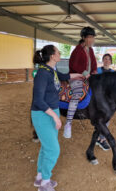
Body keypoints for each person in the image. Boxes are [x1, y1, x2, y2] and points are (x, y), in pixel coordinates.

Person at [31, 45, 82, 191]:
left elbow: (64, 76)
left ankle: (40, 178)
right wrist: (56, 117)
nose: (60, 54)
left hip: (51, 112)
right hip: (43, 114)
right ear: (53, 56)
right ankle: (45, 183)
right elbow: (38, 100)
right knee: (53, 150)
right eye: (58, 52)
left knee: (46, 147)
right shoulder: (42, 73)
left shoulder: (51, 71)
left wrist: (79, 75)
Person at [63, 26, 97, 139]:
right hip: (76, 77)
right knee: (77, 93)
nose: (92, 40)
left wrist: (94, 72)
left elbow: (94, 64)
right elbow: (74, 65)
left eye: (93, 37)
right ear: (83, 37)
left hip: (88, 77)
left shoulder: (90, 50)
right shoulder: (77, 50)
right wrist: (84, 73)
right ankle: (68, 123)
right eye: (89, 37)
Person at [96, 53, 114, 151]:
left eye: (108, 59)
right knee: (102, 119)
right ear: (103, 60)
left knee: (106, 119)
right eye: (105, 59)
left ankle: (99, 138)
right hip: (98, 98)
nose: (107, 60)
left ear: (111, 61)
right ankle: (101, 139)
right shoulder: (98, 70)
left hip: (108, 99)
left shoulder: (113, 72)